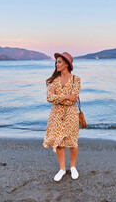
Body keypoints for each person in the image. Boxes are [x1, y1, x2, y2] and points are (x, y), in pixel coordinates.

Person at [43, 52, 81, 182]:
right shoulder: (53, 81)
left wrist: (59, 98)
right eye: (56, 62)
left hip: (71, 114)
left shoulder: (76, 79)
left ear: (66, 64)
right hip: (56, 115)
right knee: (59, 143)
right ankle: (62, 169)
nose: (56, 64)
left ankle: (73, 167)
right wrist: (66, 96)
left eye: (59, 62)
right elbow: (49, 98)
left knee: (73, 141)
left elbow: (73, 100)